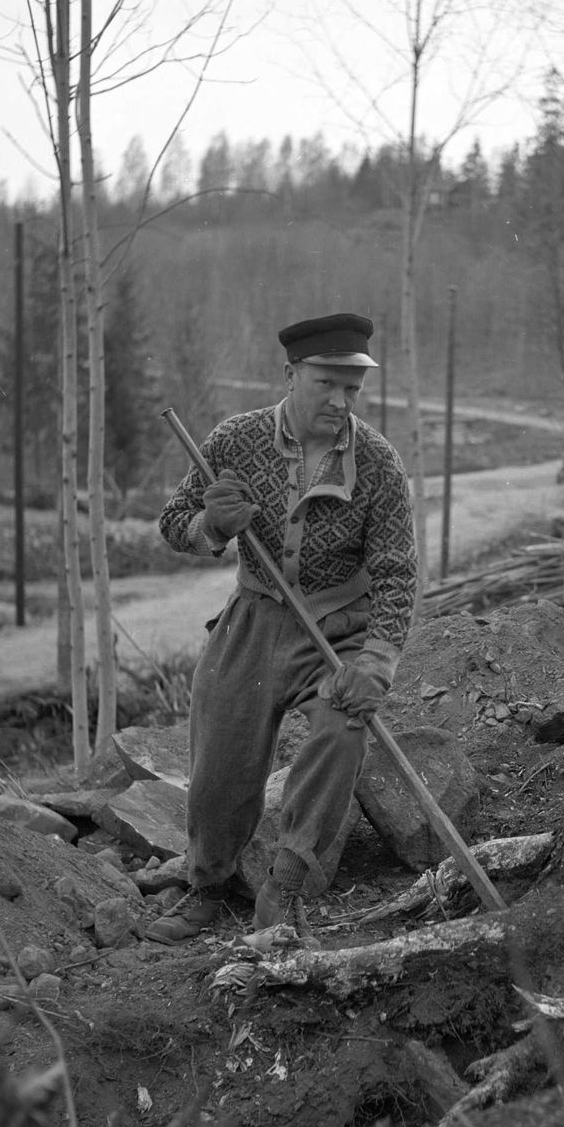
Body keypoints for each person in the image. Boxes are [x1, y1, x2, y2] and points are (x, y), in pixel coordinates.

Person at [147, 312, 417, 946]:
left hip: (337, 629)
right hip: (253, 619)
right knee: (220, 760)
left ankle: (287, 886)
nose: (340, 401)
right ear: (291, 374)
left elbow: (397, 571)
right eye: (326, 383)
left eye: (352, 389)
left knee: (342, 723)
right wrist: (212, 526)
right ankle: (206, 888)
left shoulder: (376, 462)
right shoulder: (235, 441)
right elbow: (172, 522)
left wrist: (376, 662)